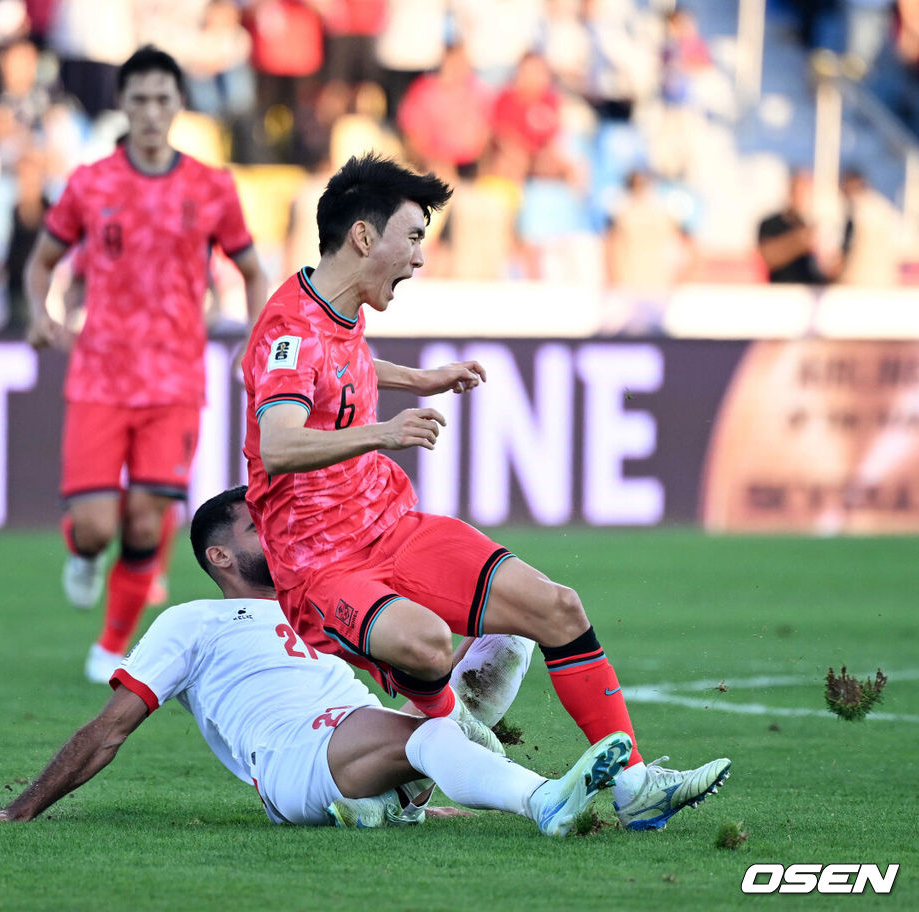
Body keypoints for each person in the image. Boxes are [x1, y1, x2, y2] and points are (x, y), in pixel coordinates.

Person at [241, 152, 731, 832]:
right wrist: (385, 432)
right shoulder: (289, 327)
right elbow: (279, 443)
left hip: (392, 527)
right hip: (324, 568)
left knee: (556, 606)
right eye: (412, 238)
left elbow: (339, 364)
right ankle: (437, 762)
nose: (418, 258)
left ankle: (636, 785)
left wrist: (421, 378)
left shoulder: (334, 310)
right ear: (362, 236)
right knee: (427, 646)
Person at [0, 487, 632, 836]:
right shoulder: (191, 622)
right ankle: (541, 798)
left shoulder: (320, 596)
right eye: (254, 525)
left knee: (516, 626)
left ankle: (394, 794)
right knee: (420, 736)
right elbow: (109, 729)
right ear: (220, 557)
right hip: (293, 757)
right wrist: (17, 813)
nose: (275, 526)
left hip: (363, 723)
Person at [24, 45, 269, 684]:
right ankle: (81, 552)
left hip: (175, 381)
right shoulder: (90, 183)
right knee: (97, 526)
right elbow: (42, 261)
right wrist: (39, 312)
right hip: (99, 377)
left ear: (178, 105)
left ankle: (111, 644)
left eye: (164, 99)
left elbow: (251, 270)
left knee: (146, 516)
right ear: (123, 105)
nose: (153, 112)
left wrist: (256, 334)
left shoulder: (211, 186)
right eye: (140, 100)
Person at [756, 169, 831, 285]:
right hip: (782, 294)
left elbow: (830, 269)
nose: (801, 197)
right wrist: (800, 241)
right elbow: (767, 258)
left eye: (805, 192)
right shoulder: (770, 223)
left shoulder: (815, 224)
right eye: (798, 191)